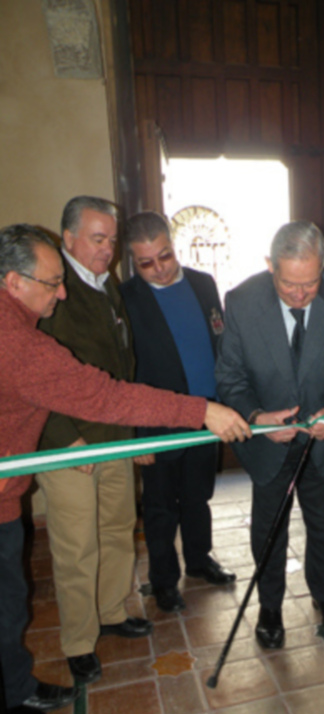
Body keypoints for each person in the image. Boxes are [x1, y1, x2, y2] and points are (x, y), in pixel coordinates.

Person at [0, 223, 249, 711]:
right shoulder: (17, 343)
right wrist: (199, 411)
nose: (62, 292)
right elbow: (103, 393)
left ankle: (16, 690)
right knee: (8, 607)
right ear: (14, 282)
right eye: (52, 283)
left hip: (12, 488)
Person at [216, 220, 324, 649]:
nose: (301, 295)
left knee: (323, 521)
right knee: (269, 526)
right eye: (289, 285)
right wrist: (257, 416)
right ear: (270, 266)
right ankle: (270, 607)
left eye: (310, 283)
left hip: (323, 438)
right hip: (270, 443)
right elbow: (229, 377)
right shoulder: (242, 301)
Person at [121, 211, 235, 614]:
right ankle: (164, 580)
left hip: (208, 414)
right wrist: (136, 435)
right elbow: (124, 372)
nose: (159, 269)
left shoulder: (204, 284)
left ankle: (200, 561)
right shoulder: (126, 298)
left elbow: (218, 341)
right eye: (146, 263)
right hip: (157, 423)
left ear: (174, 244)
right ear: (132, 262)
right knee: (159, 507)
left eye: (165, 256)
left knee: (197, 497)